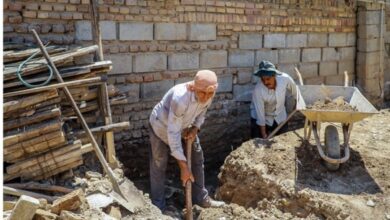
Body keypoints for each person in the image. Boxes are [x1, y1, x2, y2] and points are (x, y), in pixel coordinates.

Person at [148, 70, 225, 211]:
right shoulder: (180, 99)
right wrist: (184, 167)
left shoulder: (208, 92)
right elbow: (173, 134)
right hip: (161, 126)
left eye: (210, 94)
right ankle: (158, 206)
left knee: (197, 157)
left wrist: (195, 128)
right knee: (159, 163)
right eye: (202, 93)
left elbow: (202, 112)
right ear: (193, 87)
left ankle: (201, 198)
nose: (206, 97)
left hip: (184, 125)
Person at [250, 60, 297, 139]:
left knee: (283, 141)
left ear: (274, 75)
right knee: (258, 144)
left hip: (280, 117)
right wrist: (264, 135)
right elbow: (260, 115)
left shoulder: (285, 79)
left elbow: (295, 92)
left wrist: (296, 104)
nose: (265, 82)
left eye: (268, 79)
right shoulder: (258, 90)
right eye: (263, 79)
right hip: (261, 118)